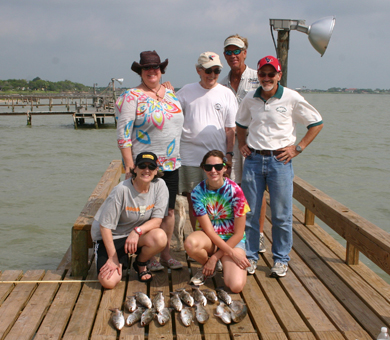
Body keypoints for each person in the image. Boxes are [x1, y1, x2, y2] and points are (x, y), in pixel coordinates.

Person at [236, 55, 323, 277]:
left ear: (279, 75)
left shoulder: (292, 97)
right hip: (253, 160)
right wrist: (241, 144)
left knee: (282, 215)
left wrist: (298, 148)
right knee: (250, 213)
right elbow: (240, 124)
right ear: (258, 75)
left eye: (271, 74)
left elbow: (316, 123)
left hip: (280, 162)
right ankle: (251, 256)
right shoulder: (249, 98)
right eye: (262, 74)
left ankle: (281, 259)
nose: (266, 78)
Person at [115, 50, 184, 272]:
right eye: (146, 68)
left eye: (155, 67)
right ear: (141, 71)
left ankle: (165, 254)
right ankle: (148, 256)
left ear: (161, 70)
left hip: (172, 163)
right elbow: (123, 134)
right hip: (145, 166)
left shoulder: (172, 93)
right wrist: (129, 164)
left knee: (168, 212)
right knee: (147, 212)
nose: (151, 71)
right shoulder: (131, 96)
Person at [176, 52, 237, 231]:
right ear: (198, 70)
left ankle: (218, 236)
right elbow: (168, 112)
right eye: (208, 70)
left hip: (216, 159)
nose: (212, 75)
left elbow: (230, 129)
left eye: (216, 71)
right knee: (194, 199)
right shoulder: (186, 91)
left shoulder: (226, 94)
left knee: (217, 199)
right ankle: (199, 235)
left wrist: (229, 155)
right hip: (189, 157)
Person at [91, 152, 169, 288]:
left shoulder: (160, 186)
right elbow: (105, 227)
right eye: (142, 166)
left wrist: (137, 231)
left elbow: (157, 221)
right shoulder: (121, 190)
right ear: (135, 169)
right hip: (111, 237)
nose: (146, 170)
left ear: (156, 170)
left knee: (160, 237)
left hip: (135, 236)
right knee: (108, 282)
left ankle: (140, 263)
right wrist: (112, 257)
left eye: (151, 167)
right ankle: (119, 259)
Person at [220, 34, 266, 254]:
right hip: (231, 144)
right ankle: (236, 232)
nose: (233, 55)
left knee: (256, 191)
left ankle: (260, 234)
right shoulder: (220, 82)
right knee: (232, 188)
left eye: (236, 51)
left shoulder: (260, 78)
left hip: (253, 144)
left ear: (245, 52)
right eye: (228, 52)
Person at [184, 150, 251, 293]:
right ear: (203, 169)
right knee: (190, 243)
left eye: (218, 167)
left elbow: (239, 234)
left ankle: (214, 263)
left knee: (236, 286)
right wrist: (222, 255)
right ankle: (209, 266)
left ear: (225, 168)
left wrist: (215, 257)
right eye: (208, 167)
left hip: (232, 240)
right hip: (210, 238)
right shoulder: (197, 193)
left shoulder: (236, 191)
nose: (213, 171)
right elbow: (208, 230)